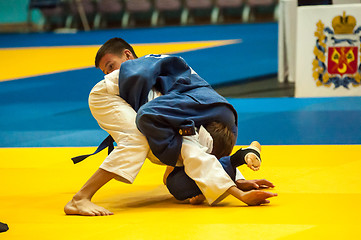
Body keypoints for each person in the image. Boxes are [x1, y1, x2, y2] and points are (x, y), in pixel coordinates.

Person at [64, 38, 276, 216]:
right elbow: (196, 155)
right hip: (104, 96)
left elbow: (202, 157)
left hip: (168, 112)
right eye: (105, 70)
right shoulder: (146, 71)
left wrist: (238, 180)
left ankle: (233, 164)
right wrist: (240, 194)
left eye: (110, 66)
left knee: (174, 180)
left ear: (128, 55)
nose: (108, 74)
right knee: (137, 140)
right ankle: (79, 198)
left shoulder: (161, 80)